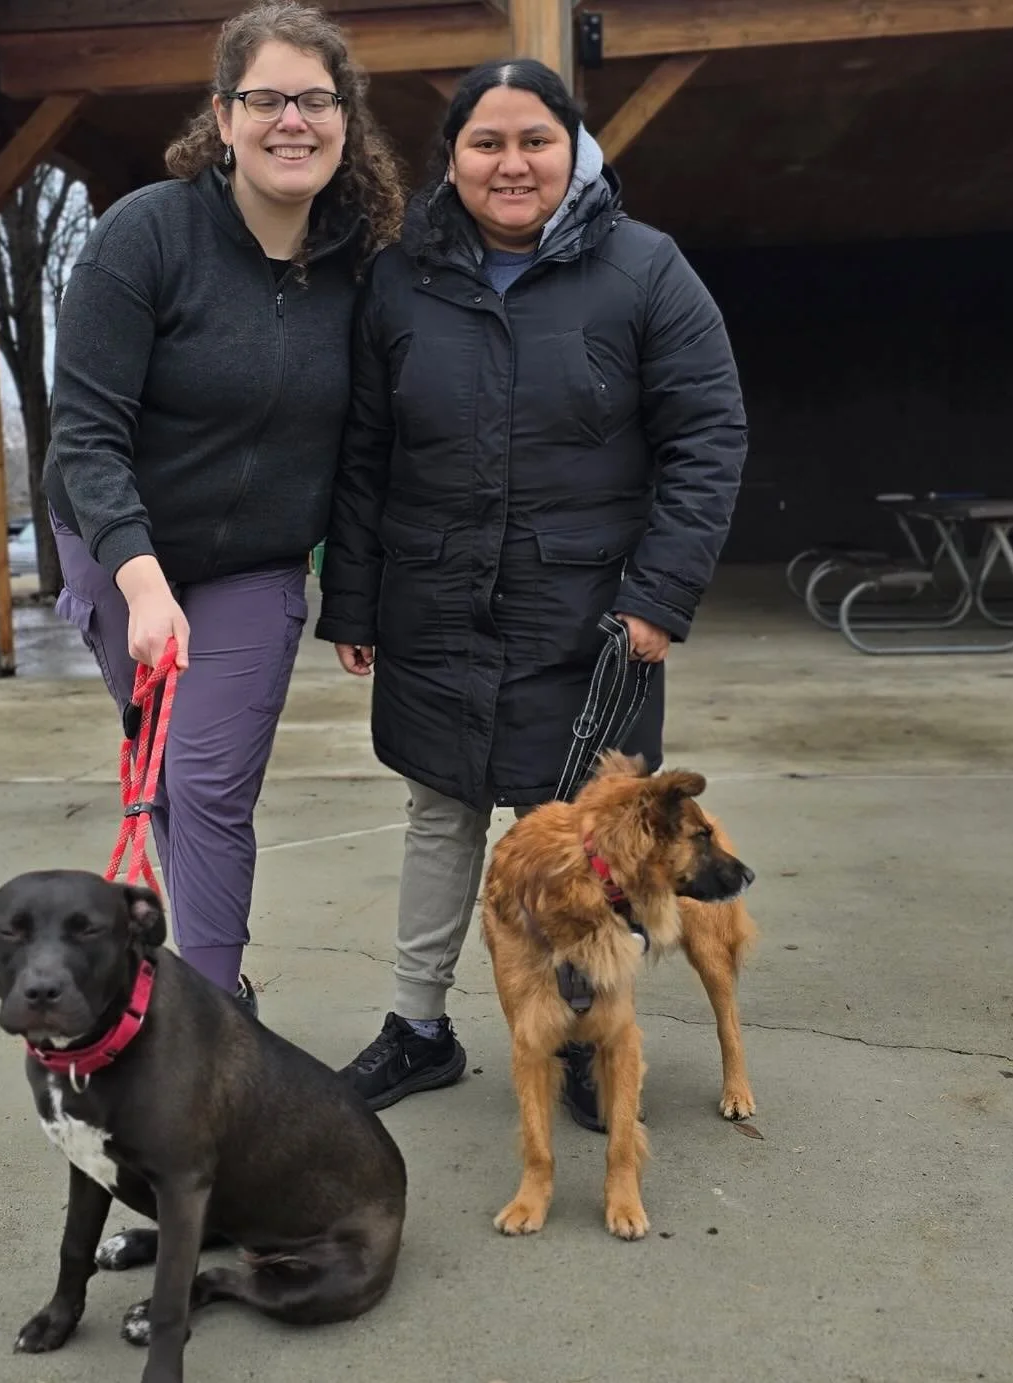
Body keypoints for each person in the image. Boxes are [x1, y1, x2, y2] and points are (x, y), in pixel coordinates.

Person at [316, 59, 748, 1125]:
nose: (512, 164)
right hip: (433, 604)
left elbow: (708, 438)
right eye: (487, 143)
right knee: (438, 809)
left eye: (535, 142)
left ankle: (588, 1041)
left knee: (579, 840)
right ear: (452, 159)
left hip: (592, 617)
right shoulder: (397, 281)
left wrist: (659, 594)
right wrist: (356, 601)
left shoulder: (648, 271)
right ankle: (418, 1028)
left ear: (574, 152)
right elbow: (364, 452)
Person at [45, 1, 403, 1015]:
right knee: (162, 771)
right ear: (224, 113)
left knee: (207, 780)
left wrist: (358, 594)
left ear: (346, 117)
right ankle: (209, 973)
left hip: (256, 560)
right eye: (266, 98)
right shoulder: (145, 236)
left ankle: (208, 1007)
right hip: (116, 542)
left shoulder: (363, 269)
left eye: (316, 99)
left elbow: (367, 453)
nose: (293, 120)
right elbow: (88, 429)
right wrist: (141, 578)